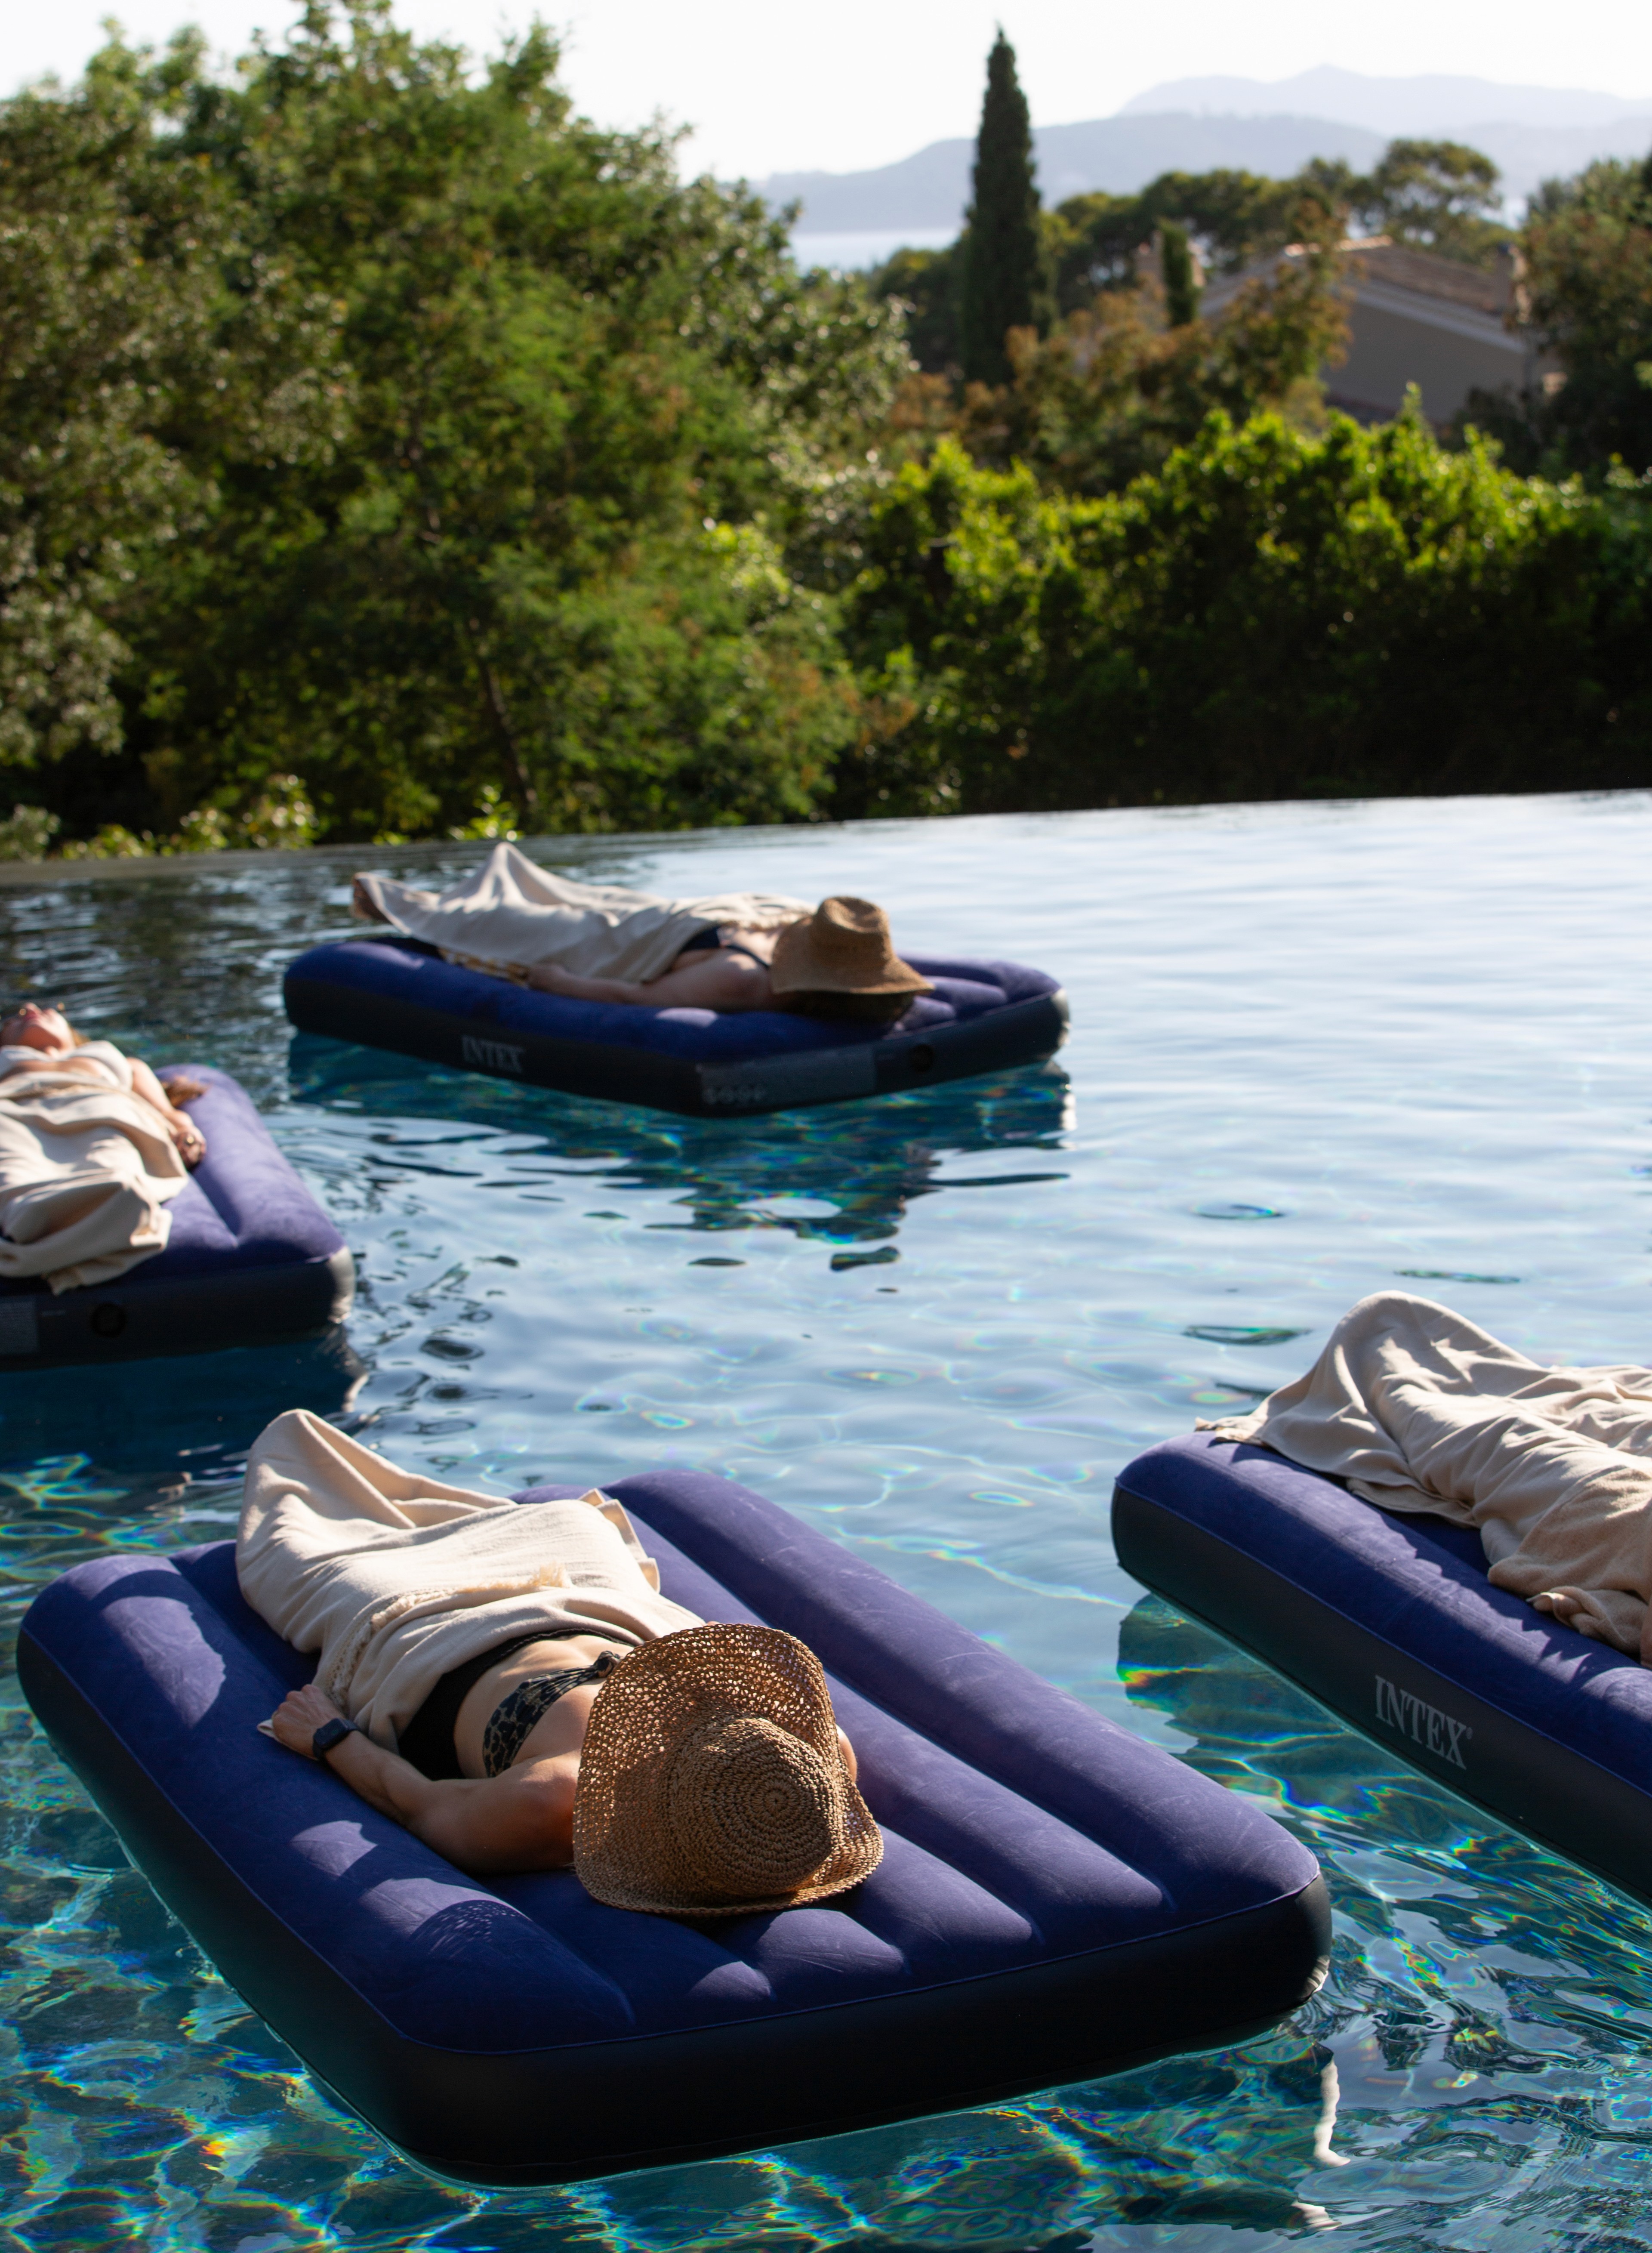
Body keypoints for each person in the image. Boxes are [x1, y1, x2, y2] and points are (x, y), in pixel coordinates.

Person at [245, 1409, 881, 1910]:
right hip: (605, 1608)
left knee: (296, 1509)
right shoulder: (817, 1752)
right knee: (570, 1522)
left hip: (437, 1634)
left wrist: (330, 1737)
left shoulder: (563, 1796)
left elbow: (423, 1806)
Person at [349, 845, 932, 1022]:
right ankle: (386, 899)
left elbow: (635, 997)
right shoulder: (743, 979)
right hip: (666, 927)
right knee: (493, 918)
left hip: (678, 924)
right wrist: (549, 982)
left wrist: (555, 982)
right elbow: (632, 998)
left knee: (520, 903)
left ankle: (395, 898)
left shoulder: (754, 974)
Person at [0, 1002, 207, 1168]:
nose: (29, 1009)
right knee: (16, 1170)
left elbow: (165, 1112)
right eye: (14, 1020)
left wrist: (186, 1133)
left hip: (99, 1110)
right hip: (13, 1116)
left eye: (45, 1010)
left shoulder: (118, 1063)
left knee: (109, 1161)